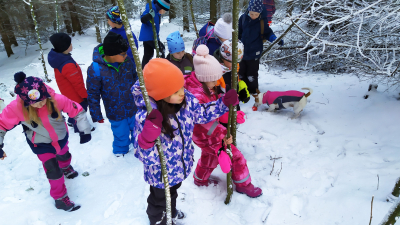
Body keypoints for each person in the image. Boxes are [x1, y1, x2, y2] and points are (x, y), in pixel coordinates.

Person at [131, 58, 238, 225]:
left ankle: (171, 212)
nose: (182, 92)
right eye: (175, 91)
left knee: (173, 193)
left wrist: (223, 104)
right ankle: (159, 221)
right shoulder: (147, 118)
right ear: (160, 94)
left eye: (181, 86)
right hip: (161, 173)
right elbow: (144, 156)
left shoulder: (186, 100)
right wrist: (148, 137)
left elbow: (202, 113)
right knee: (158, 200)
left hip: (180, 166)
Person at [0, 72, 92, 212]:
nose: (40, 104)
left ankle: (66, 167)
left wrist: (84, 129)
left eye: (43, 99)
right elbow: (1, 124)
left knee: (64, 155)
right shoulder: (16, 108)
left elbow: (76, 110)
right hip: (40, 144)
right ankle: (60, 198)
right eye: (35, 103)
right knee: (53, 170)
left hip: (60, 138)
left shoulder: (55, 99)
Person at [184, 45, 262, 198]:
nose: (217, 83)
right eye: (214, 80)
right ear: (206, 78)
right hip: (207, 133)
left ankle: (200, 179)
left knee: (209, 156)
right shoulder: (195, 94)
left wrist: (229, 113)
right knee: (236, 157)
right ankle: (243, 184)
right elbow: (203, 115)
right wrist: (222, 132)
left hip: (205, 132)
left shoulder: (203, 85)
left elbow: (213, 105)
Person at [86, 32, 138, 157]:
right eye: (123, 54)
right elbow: (93, 94)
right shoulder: (96, 69)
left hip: (133, 106)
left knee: (137, 130)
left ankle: (139, 147)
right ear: (112, 54)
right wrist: (96, 114)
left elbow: (135, 78)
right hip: (115, 111)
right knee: (121, 133)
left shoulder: (127, 61)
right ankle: (121, 152)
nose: (126, 56)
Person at [239, 0, 284, 110]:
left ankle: (254, 91)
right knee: (241, 72)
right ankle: (242, 91)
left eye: (256, 14)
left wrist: (274, 38)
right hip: (242, 52)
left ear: (260, 13)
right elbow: (239, 32)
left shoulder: (262, 22)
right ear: (248, 10)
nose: (253, 16)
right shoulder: (243, 18)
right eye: (251, 13)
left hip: (255, 52)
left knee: (252, 73)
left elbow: (268, 33)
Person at [48, 33, 89, 133]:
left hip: (67, 92)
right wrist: (85, 96)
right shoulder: (67, 64)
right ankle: (80, 128)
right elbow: (77, 84)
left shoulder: (60, 58)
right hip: (75, 95)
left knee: (72, 108)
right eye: (70, 44)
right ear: (65, 47)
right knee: (80, 110)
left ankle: (71, 120)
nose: (72, 45)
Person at [213, 39, 250, 104]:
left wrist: (241, 89)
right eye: (232, 62)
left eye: (237, 62)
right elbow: (213, 94)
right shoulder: (214, 72)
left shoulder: (233, 66)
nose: (235, 64)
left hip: (234, 102)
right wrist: (226, 98)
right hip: (222, 107)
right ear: (223, 58)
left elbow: (236, 80)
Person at [139, 0, 170, 68]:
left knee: (148, 54)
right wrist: (149, 15)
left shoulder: (157, 12)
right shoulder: (151, 9)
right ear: (160, 7)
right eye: (164, 10)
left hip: (151, 36)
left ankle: (144, 70)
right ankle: (162, 67)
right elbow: (143, 19)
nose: (164, 12)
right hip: (149, 36)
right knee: (161, 48)